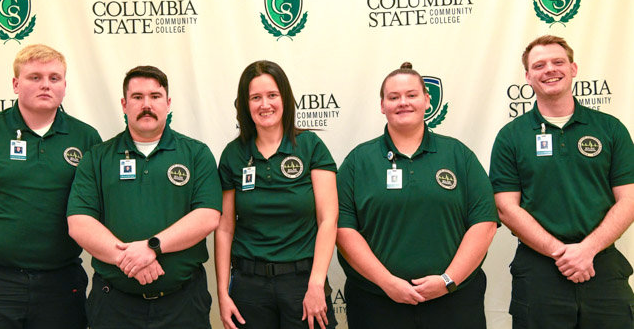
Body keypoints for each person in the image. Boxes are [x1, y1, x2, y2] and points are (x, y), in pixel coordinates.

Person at [0, 44, 101, 329]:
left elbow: (101, 210)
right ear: (15, 84)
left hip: (60, 286)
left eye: (54, 78)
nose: (45, 85)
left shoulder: (85, 138)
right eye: (34, 77)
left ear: (64, 86)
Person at [336, 62, 499, 329]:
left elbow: (484, 224)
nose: (403, 102)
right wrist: (387, 282)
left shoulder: (458, 155)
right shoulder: (358, 161)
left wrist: (447, 280)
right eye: (394, 97)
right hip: (376, 304)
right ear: (382, 105)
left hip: (454, 303)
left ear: (426, 100)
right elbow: (343, 230)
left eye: (411, 95)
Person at [490, 35, 634, 328]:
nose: (550, 70)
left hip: (602, 265)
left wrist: (587, 250)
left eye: (558, 62)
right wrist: (563, 253)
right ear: (528, 76)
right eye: (539, 65)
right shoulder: (511, 136)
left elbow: (629, 199)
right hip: (539, 268)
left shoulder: (610, 128)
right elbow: (505, 208)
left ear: (574, 68)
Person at [66, 65, 221, 328]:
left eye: (155, 96)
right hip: (115, 305)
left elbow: (207, 217)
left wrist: (152, 247)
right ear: (124, 105)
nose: (146, 104)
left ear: (168, 103)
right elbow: (79, 223)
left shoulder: (196, 154)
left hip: (183, 305)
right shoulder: (98, 157)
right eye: (137, 97)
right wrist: (131, 260)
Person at [215, 60, 338, 329]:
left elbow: (328, 220)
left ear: (285, 98)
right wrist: (223, 293)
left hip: (303, 283)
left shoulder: (310, 146)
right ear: (245, 105)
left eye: (272, 95)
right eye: (255, 97)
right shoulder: (233, 154)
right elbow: (224, 228)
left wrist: (316, 283)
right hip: (249, 286)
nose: (265, 104)